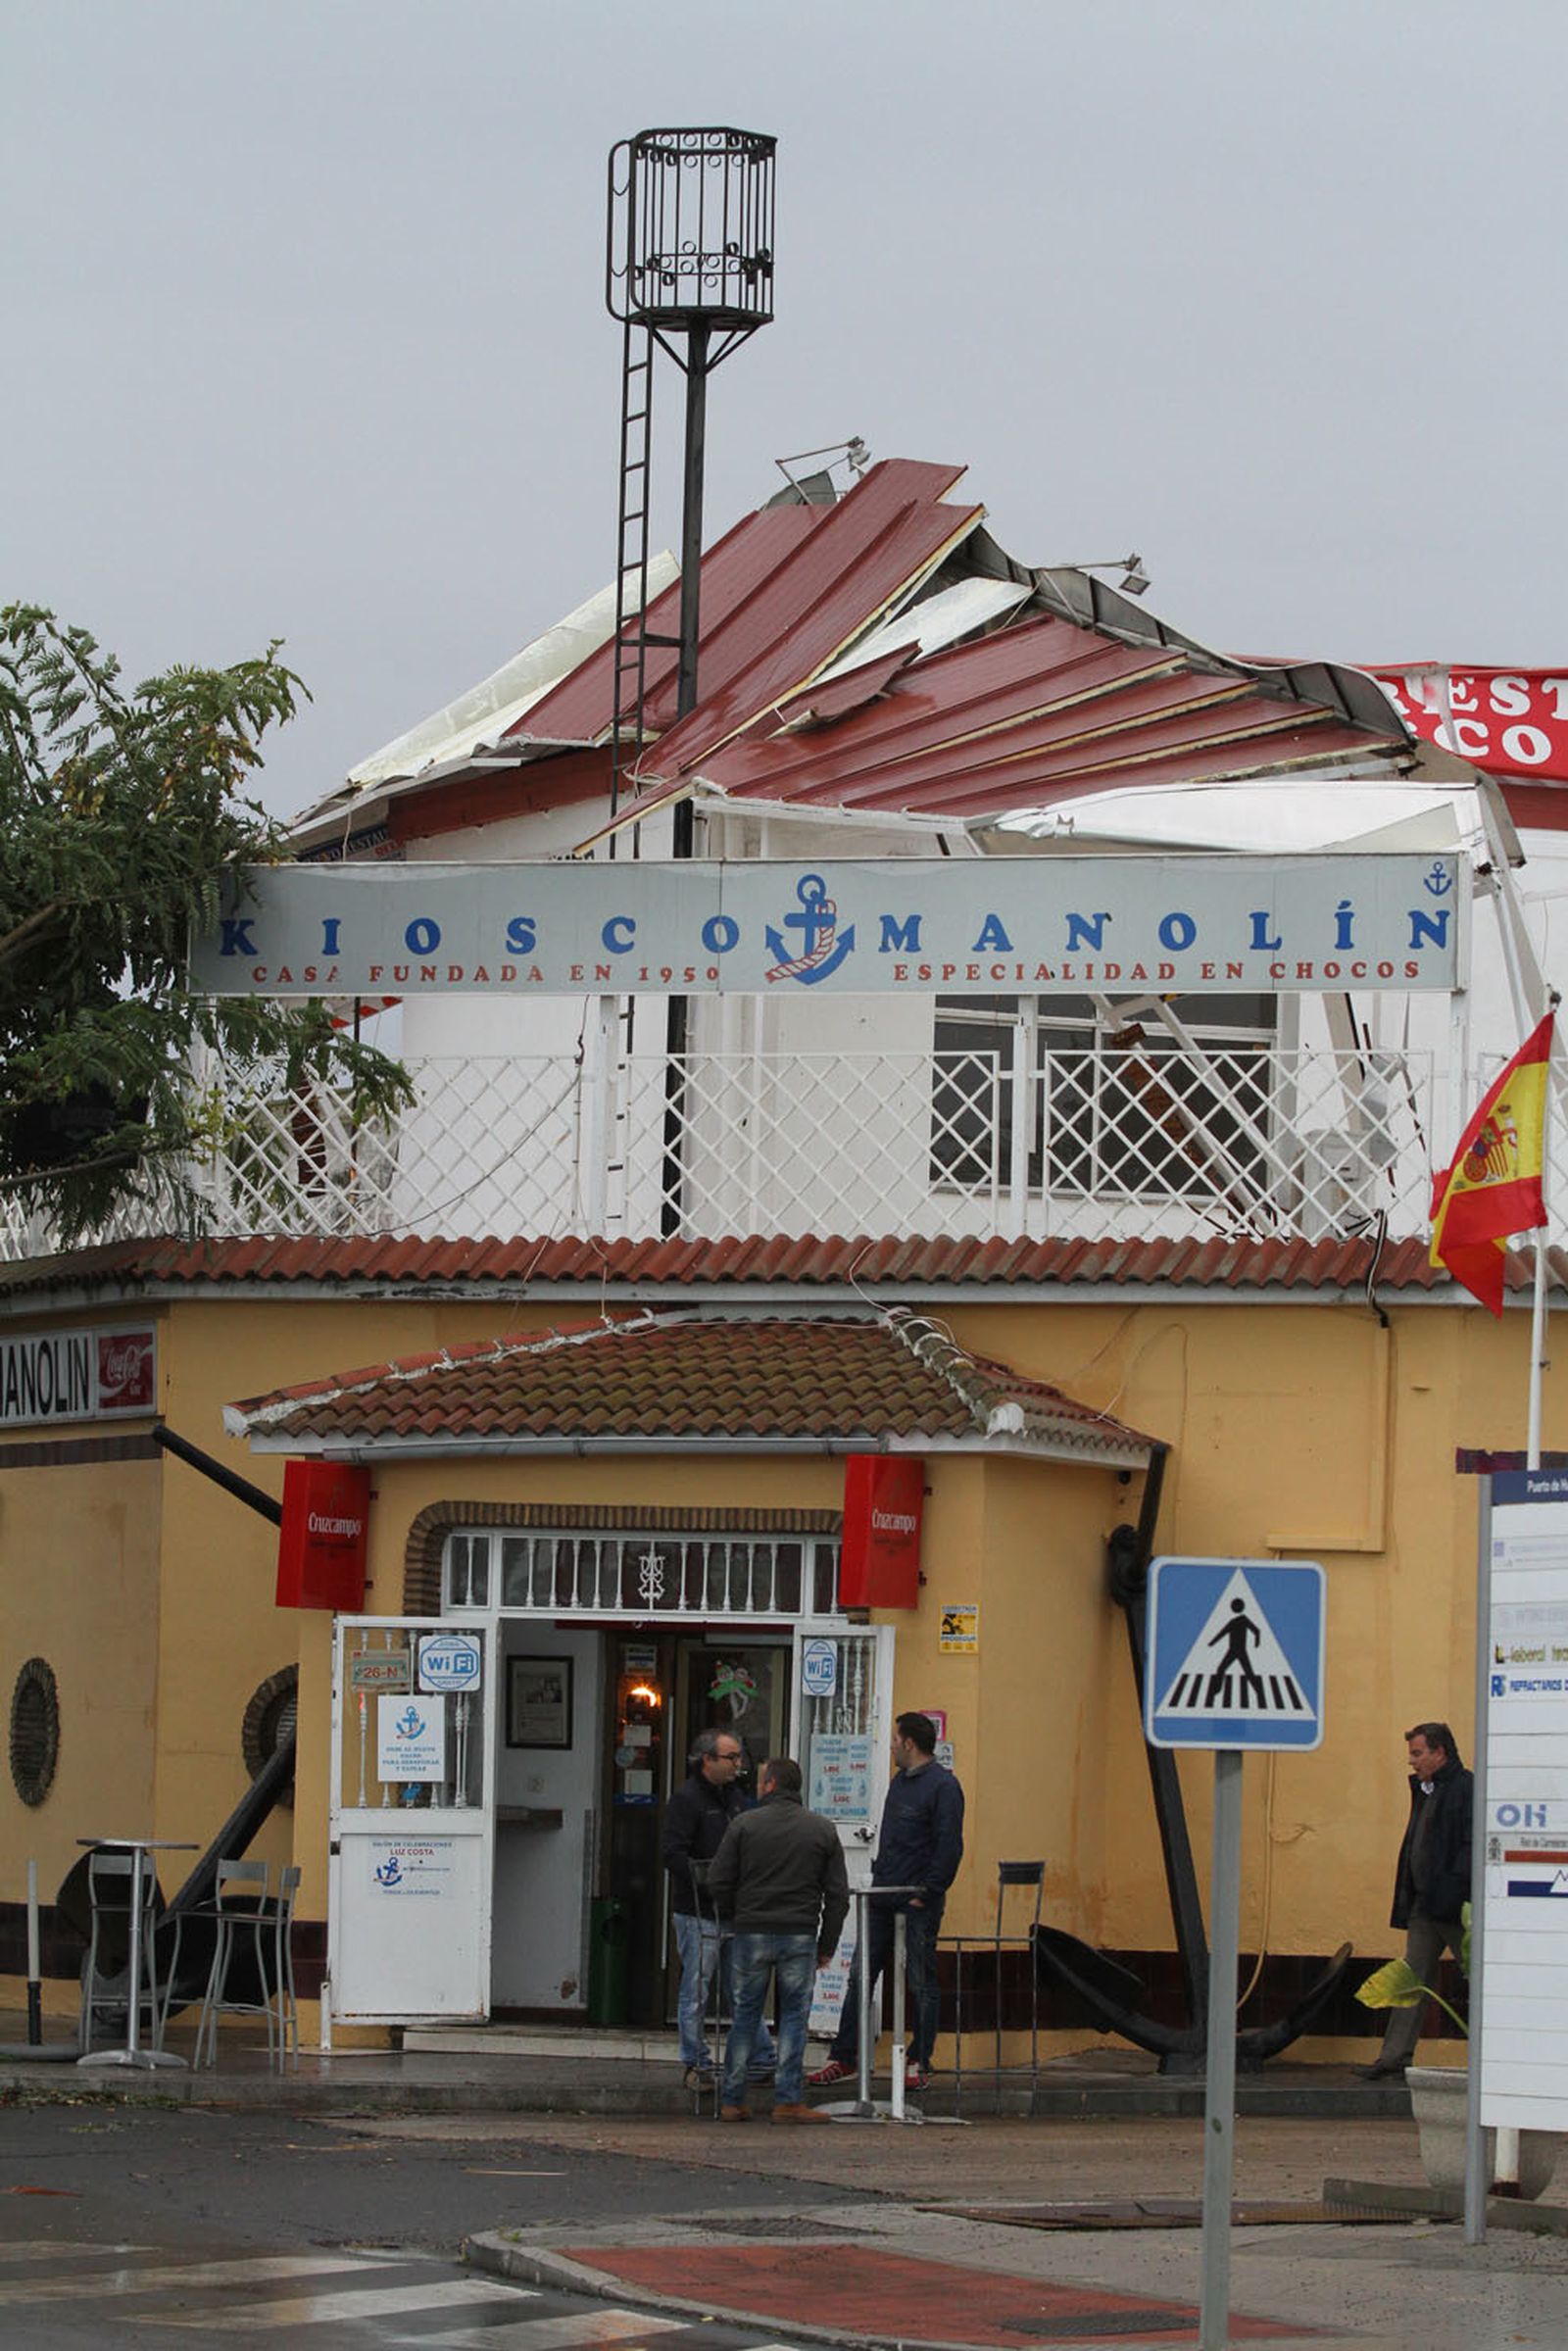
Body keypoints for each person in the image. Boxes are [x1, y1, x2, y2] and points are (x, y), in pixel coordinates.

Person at [808, 1711, 964, 2095]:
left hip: (917, 1900)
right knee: (860, 1975)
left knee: (920, 1980)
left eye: (895, 1739)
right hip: (882, 1895)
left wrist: (925, 1892)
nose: (891, 1745)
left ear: (909, 1743)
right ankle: (844, 2055)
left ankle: (918, 2058)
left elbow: (949, 1846)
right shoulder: (899, 1783)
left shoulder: (944, 1787)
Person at [706, 1755, 850, 2123]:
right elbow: (837, 1895)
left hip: (751, 1932)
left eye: (759, 1781)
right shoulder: (821, 1829)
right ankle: (787, 2100)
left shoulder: (744, 1825)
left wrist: (737, 1914)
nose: (756, 1787)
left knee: (745, 2017)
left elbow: (718, 1879)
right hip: (799, 1933)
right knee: (794, 2018)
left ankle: (733, 2099)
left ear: (770, 1785)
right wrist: (827, 1944)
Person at [1356, 1719, 1474, 2081]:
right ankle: (1393, 2057)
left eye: (1417, 1752)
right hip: (1425, 1905)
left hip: (1454, 1908)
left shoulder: (1465, 1788)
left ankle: (1492, 2059)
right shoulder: (1428, 1789)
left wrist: (1452, 1892)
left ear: (1440, 1753)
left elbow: (1469, 1846)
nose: (1412, 1760)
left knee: (1477, 1977)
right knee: (1411, 1980)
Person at [662, 1728, 775, 2087]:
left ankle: (760, 2058)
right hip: (698, 1911)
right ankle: (696, 2061)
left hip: (733, 1910)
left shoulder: (736, 1798)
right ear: (707, 1760)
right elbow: (672, 1853)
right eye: (731, 1757)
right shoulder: (687, 1800)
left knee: (742, 1988)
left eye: (739, 1757)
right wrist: (709, 1880)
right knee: (697, 1990)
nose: (738, 1764)